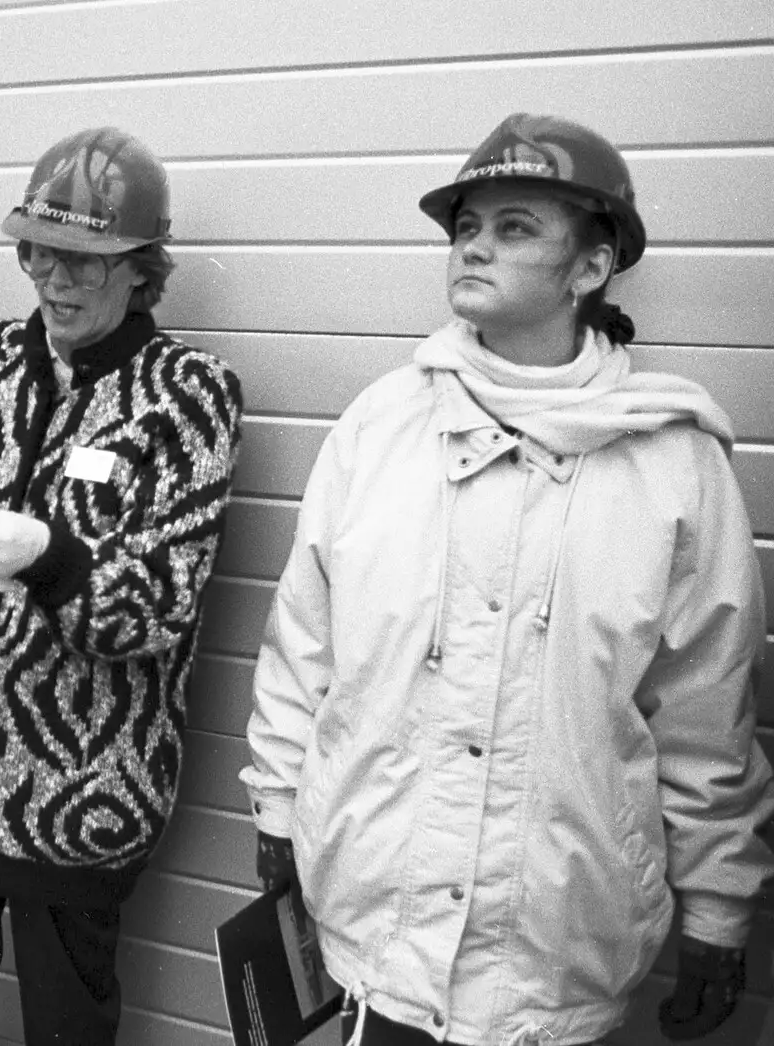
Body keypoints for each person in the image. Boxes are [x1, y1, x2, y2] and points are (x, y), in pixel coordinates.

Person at [240, 113, 774, 1046]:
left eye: (515, 226)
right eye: (465, 228)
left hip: (554, 960)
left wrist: (719, 910)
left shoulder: (676, 468)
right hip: (381, 938)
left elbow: (706, 717)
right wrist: (281, 805)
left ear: (591, 268)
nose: (474, 247)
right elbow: (304, 641)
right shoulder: (381, 428)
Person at [0, 126, 244, 1045]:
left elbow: (156, 608)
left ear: (142, 269)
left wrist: (48, 553)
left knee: (68, 1028)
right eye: (40, 253)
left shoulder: (187, 395)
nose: (56, 281)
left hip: (77, 797)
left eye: (86, 261)